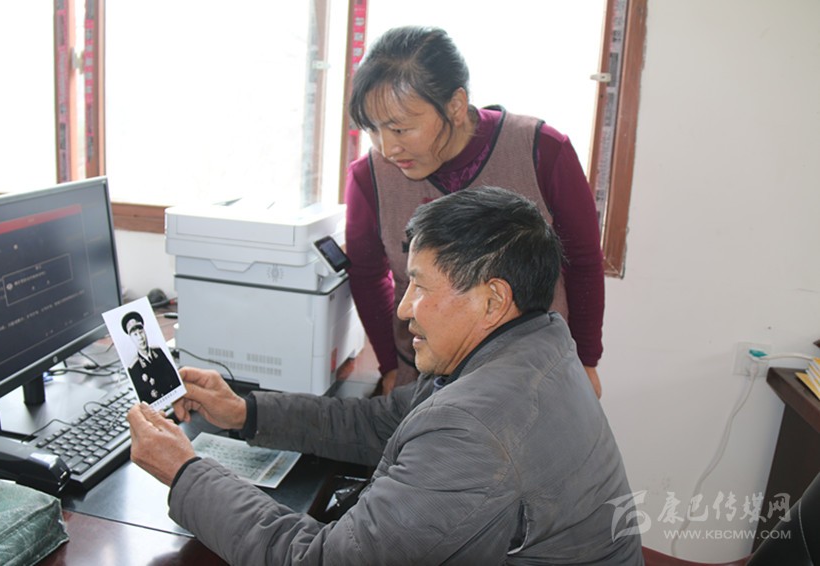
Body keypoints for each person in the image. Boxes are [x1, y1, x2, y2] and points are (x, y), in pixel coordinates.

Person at [127, 187, 642, 565]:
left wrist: (185, 473)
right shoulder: (533, 343)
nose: (403, 309)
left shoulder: (474, 429)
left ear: (492, 300)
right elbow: (380, 424)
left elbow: (318, 562)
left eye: (420, 286)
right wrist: (245, 411)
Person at [345, 26, 605, 397]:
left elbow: (583, 260)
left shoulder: (542, 151)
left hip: (532, 378)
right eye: (373, 129)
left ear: (455, 104)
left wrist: (586, 359)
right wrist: (390, 366)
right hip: (423, 379)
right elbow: (367, 276)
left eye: (400, 129)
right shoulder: (369, 178)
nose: (387, 148)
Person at [122, 311, 179, 403]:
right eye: (135, 335)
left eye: (141, 332)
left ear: (145, 332)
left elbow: (175, 381)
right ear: (131, 338)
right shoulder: (134, 368)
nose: (140, 338)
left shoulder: (159, 352)